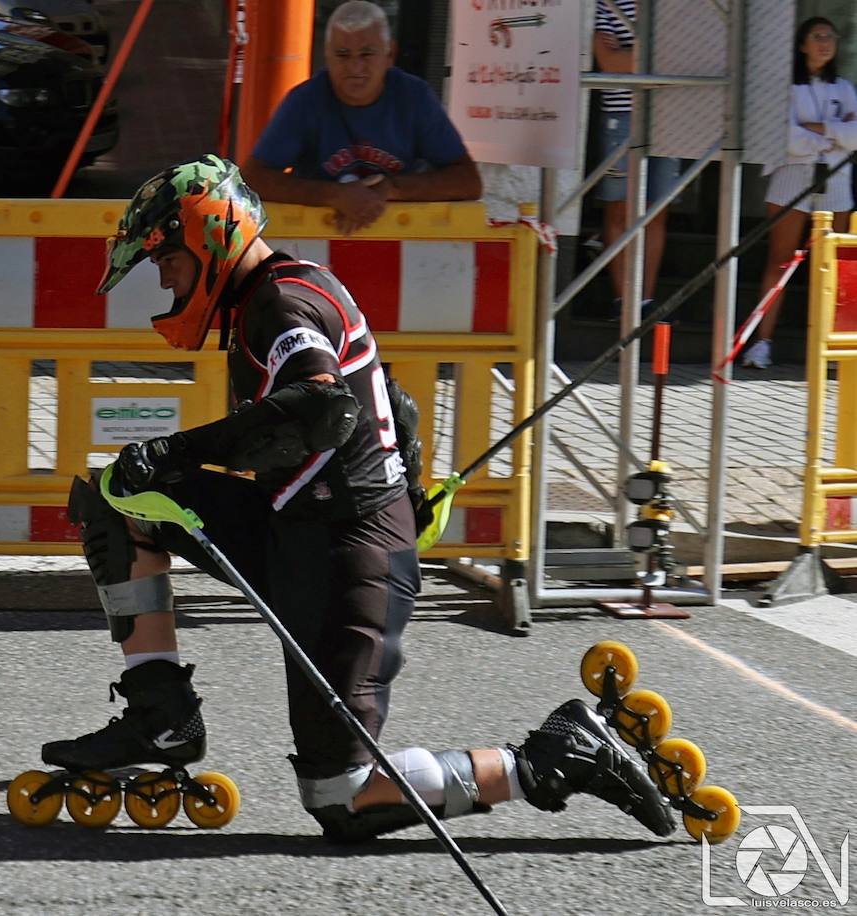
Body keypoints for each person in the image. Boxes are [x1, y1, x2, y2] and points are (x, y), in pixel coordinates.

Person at [46, 154, 674, 842]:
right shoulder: (289, 287)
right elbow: (394, 406)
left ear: (206, 237)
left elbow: (322, 408)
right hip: (303, 527)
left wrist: (178, 450)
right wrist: (406, 493)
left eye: (165, 261)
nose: (164, 280)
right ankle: (160, 717)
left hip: (346, 559)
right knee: (119, 496)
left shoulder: (279, 304)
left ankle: (554, 758)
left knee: (340, 798)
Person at [241, 0, 480, 236]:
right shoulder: (304, 100)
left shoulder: (414, 97)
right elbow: (253, 178)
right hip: (318, 242)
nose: (355, 67)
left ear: (390, 55)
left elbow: (468, 181)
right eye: (343, 55)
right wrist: (333, 195)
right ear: (327, 56)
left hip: (402, 241)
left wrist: (390, 190)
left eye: (366, 54)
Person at [743, 17, 857, 370]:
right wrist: (833, 137)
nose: (825, 42)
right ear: (802, 44)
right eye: (817, 36)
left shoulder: (845, 87)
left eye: (830, 36)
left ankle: (833, 345)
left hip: (836, 180)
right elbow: (783, 136)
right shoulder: (786, 88)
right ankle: (762, 342)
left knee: (835, 264)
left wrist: (819, 130)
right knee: (781, 260)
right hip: (792, 176)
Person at [592, 0, 680, 319]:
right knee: (620, 207)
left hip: (669, 113)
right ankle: (622, 301)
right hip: (621, 113)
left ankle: (645, 301)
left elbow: (687, 56)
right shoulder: (609, 4)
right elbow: (607, 61)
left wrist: (629, 56)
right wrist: (658, 55)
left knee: (658, 210)